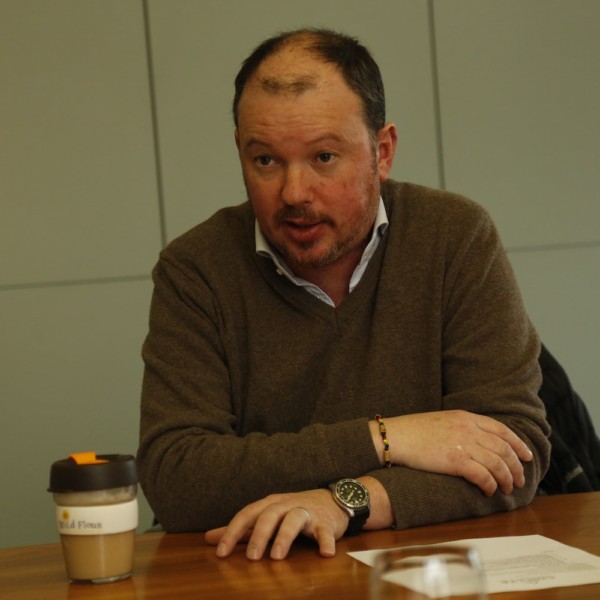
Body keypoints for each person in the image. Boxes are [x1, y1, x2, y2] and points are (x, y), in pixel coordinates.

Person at [138, 28, 551, 562]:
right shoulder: (196, 269)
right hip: (259, 574)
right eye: (265, 161)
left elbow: (515, 453)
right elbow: (177, 478)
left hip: (428, 570)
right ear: (239, 151)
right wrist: (388, 438)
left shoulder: (454, 236)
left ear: (383, 152)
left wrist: (347, 501)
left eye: (325, 157)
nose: (294, 193)